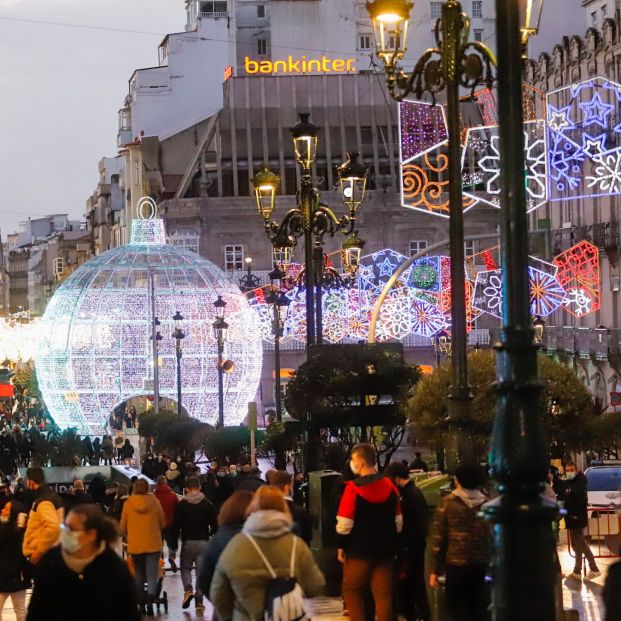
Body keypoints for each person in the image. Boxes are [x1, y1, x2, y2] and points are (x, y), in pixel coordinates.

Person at [210, 486, 325, 621]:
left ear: (252, 508)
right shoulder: (296, 545)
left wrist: (231, 616)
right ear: (284, 509)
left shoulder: (236, 545)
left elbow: (218, 594)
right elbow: (315, 586)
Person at [27, 504, 140, 621]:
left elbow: (129, 613)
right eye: (64, 527)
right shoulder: (51, 561)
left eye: (71, 529)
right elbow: (37, 610)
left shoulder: (114, 568)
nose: (65, 533)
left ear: (91, 534)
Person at [336, 443, 402, 621]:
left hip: (359, 552)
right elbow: (398, 523)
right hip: (385, 551)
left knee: (352, 590)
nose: (351, 462)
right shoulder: (390, 486)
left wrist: (341, 547)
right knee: (383, 596)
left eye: (353, 459)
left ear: (361, 461)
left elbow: (344, 523)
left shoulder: (352, 489)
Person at [430, 463, 491, 621]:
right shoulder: (488, 505)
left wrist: (435, 569)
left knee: (455, 610)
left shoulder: (448, 503)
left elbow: (439, 538)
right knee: (477, 608)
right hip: (481, 564)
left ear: (458, 480)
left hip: (455, 564)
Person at [385, 461, 430, 621]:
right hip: (414, 547)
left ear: (397, 478)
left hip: (410, 548)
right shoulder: (414, 493)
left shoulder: (408, 496)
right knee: (413, 585)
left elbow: (411, 524)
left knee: (413, 585)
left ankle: (420, 615)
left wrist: (403, 546)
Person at [172, 476, 218, 613]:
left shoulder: (181, 506)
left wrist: (173, 544)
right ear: (200, 488)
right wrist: (211, 535)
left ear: (186, 489)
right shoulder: (208, 504)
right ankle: (199, 601)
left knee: (185, 568)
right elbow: (215, 525)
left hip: (187, 542)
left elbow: (175, 526)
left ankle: (188, 590)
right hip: (204, 542)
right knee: (201, 572)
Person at [120, 478, 165, 612]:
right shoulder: (155, 502)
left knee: (138, 574)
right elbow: (162, 523)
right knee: (152, 574)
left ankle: (141, 603)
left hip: (135, 545)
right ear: (147, 488)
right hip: (153, 544)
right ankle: (151, 599)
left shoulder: (128, 503)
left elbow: (122, 526)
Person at [198, 490, 253, 599]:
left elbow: (205, 579)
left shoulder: (218, 540)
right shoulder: (260, 536)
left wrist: (221, 603)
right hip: (255, 605)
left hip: (227, 604)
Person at [562, 461, 600, 580]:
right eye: (567, 470)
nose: (569, 472)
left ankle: (594, 569)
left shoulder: (579, 483)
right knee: (576, 546)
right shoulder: (571, 483)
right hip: (572, 519)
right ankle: (577, 571)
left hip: (576, 518)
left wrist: (572, 513)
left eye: (571, 470)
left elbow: (582, 501)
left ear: (577, 470)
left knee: (581, 544)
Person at [22, 467, 64, 565]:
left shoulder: (44, 501)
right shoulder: (50, 496)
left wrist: (38, 552)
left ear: (31, 482)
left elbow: (53, 527)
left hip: (44, 557)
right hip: (51, 553)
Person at [0, 501, 29, 621]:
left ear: (13, 514)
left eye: (6, 509)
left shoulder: (21, 533)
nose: (2, 511)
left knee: (20, 611)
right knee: (21, 610)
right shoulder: (22, 532)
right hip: (16, 577)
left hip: (14, 577)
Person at [271, 470, 312, 544]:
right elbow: (307, 537)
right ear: (287, 488)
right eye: (292, 485)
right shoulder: (299, 512)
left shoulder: (264, 510)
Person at [154, 475, 180, 572]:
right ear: (166, 483)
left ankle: (160, 562)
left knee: (158, 544)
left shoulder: (154, 496)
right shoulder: (173, 495)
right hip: (171, 524)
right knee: (172, 544)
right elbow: (178, 509)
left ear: (157, 484)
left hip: (157, 525)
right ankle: (172, 557)